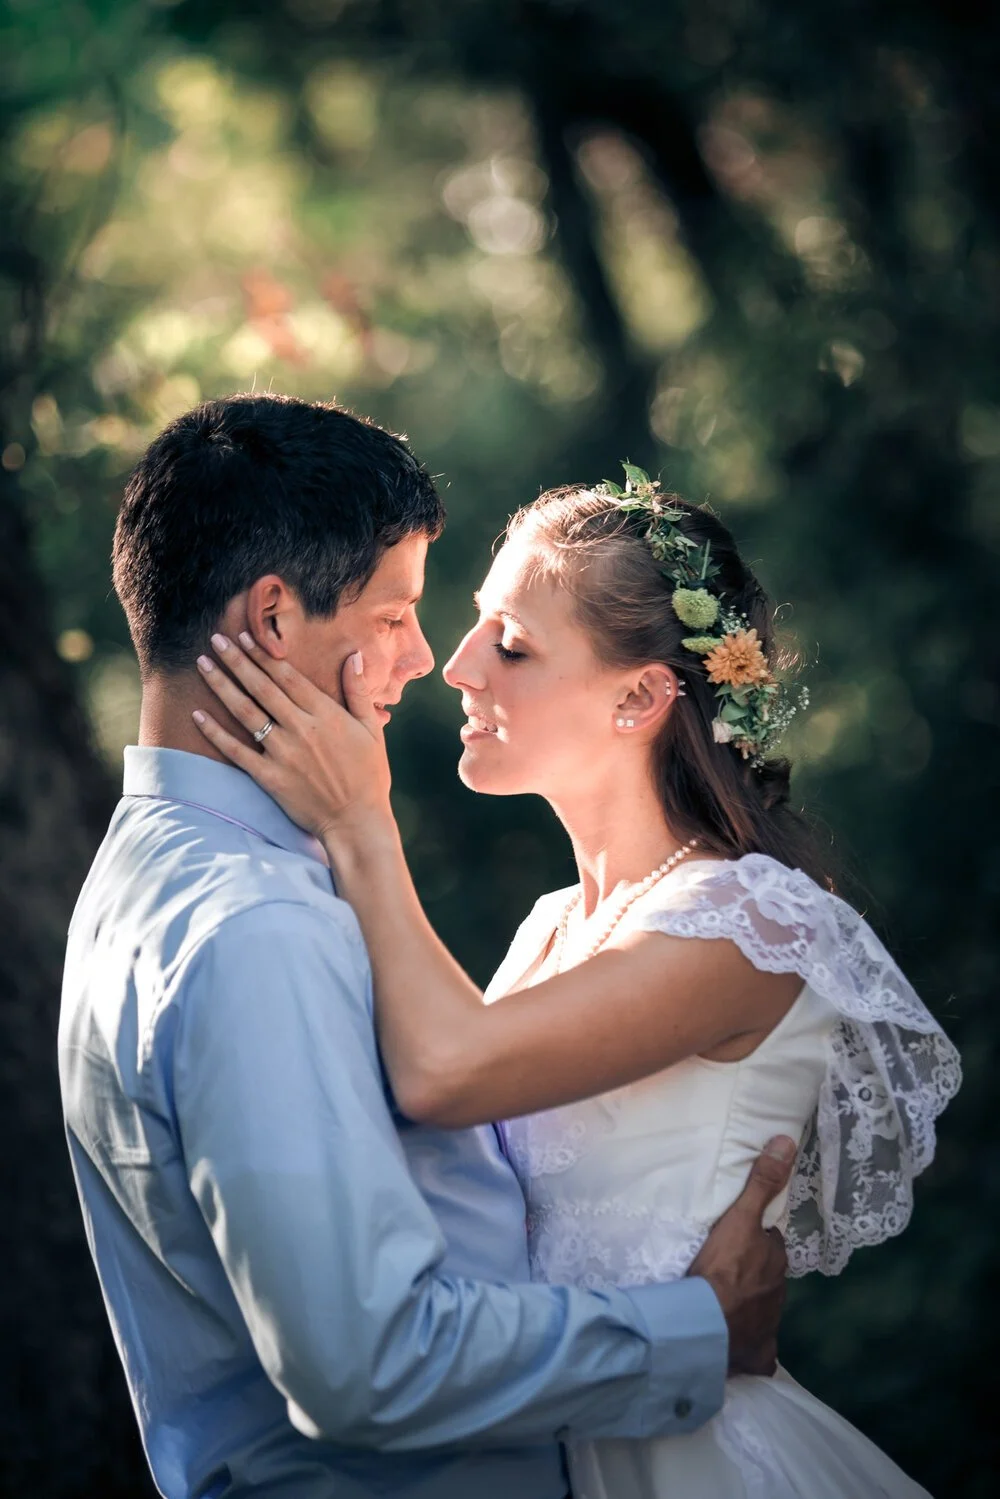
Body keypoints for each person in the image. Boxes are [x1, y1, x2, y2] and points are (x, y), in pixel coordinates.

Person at [59, 396, 795, 1499]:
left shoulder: (145, 876)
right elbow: (366, 1365)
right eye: (397, 612)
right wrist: (691, 1330)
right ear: (272, 619)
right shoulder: (256, 924)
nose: (425, 658)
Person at [193, 463, 961, 1498]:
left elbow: (443, 1073)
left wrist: (360, 823)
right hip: (562, 1431)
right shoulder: (553, 926)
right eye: (475, 628)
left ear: (641, 695)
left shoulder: (745, 921)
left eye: (511, 644)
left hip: (693, 1460)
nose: (459, 666)